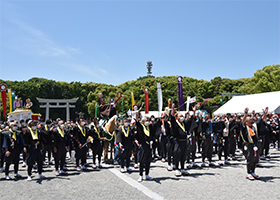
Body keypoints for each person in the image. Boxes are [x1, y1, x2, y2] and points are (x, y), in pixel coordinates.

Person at [170, 104, 197, 176]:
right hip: (177, 141)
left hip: (184, 141)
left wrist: (193, 112)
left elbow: (191, 120)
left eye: (182, 116)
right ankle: (177, 169)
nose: (181, 118)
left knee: (183, 155)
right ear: (177, 117)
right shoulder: (175, 123)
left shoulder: (184, 123)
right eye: (180, 116)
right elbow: (171, 117)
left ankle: (182, 168)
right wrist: (172, 109)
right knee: (177, 155)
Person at [241, 107, 262, 180]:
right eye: (250, 120)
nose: (251, 121)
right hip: (248, 144)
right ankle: (249, 172)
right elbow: (242, 122)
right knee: (250, 158)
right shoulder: (245, 128)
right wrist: (245, 114)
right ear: (246, 122)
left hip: (255, 144)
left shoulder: (254, 127)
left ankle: (253, 171)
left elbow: (259, 121)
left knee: (255, 158)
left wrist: (253, 115)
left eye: (252, 120)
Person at [135, 114, 157, 182]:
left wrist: (152, 140)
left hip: (149, 146)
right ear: (143, 122)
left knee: (148, 160)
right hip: (143, 146)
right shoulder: (141, 127)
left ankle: (147, 174)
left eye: (148, 120)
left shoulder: (150, 127)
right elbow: (137, 123)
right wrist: (137, 117)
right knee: (142, 161)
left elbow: (152, 135)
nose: (147, 122)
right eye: (146, 121)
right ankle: (141, 175)